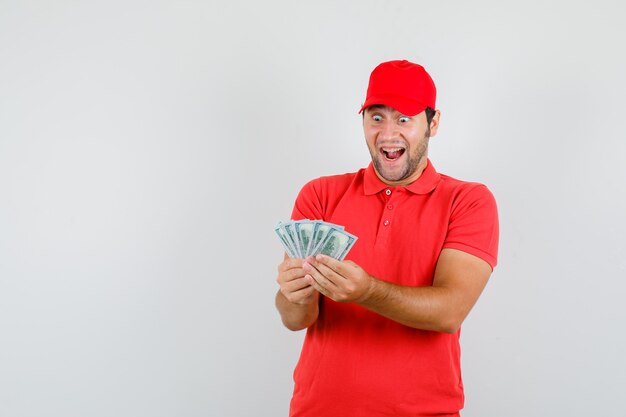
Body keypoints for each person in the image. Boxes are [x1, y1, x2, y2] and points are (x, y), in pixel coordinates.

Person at [275, 59, 499, 417]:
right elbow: (295, 318)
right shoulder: (320, 194)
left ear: (434, 123)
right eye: (376, 117)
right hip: (319, 409)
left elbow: (450, 311)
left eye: (405, 118)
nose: (389, 133)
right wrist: (292, 295)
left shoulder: (468, 201)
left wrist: (367, 291)